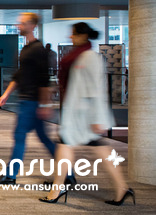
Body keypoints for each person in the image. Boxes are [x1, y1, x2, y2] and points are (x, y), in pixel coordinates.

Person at [39, 22, 133, 205]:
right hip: (77, 114)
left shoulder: (89, 57)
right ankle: (122, 188)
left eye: (73, 34)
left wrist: (97, 118)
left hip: (84, 116)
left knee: (70, 147)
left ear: (83, 36)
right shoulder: (80, 55)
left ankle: (57, 190)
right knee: (90, 149)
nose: (70, 37)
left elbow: (95, 89)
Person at [0, 12, 55, 185]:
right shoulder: (25, 49)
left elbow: (44, 80)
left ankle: (10, 175)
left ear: (32, 26)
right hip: (27, 100)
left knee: (20, 135)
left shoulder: (38, 50)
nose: (19, 26)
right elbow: (19, 75)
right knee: (42, 138)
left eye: (22, 23)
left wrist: (44, 105)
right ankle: (68, 174)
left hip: (32, 102)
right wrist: (6, 94)